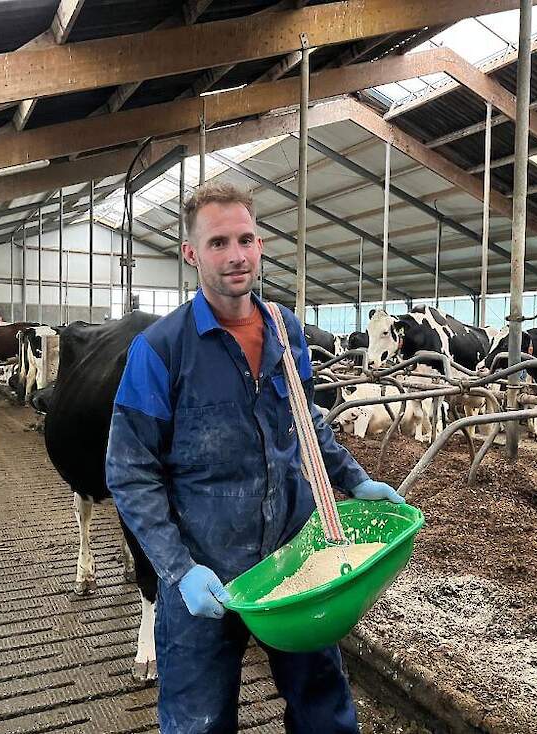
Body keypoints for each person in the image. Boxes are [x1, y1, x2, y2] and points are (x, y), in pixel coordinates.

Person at [104, 181, 403, 734]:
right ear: (191, 254)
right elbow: (128, 469)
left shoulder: (286, 331)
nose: (236, 256)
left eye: (246, 239)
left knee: (324, 711)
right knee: (199, 721)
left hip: (296, 558)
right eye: (218, 243)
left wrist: (353, 479)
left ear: (261, 244)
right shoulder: (161, 350)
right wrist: (178, 569)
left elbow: (305, 419)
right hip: (204, 570)